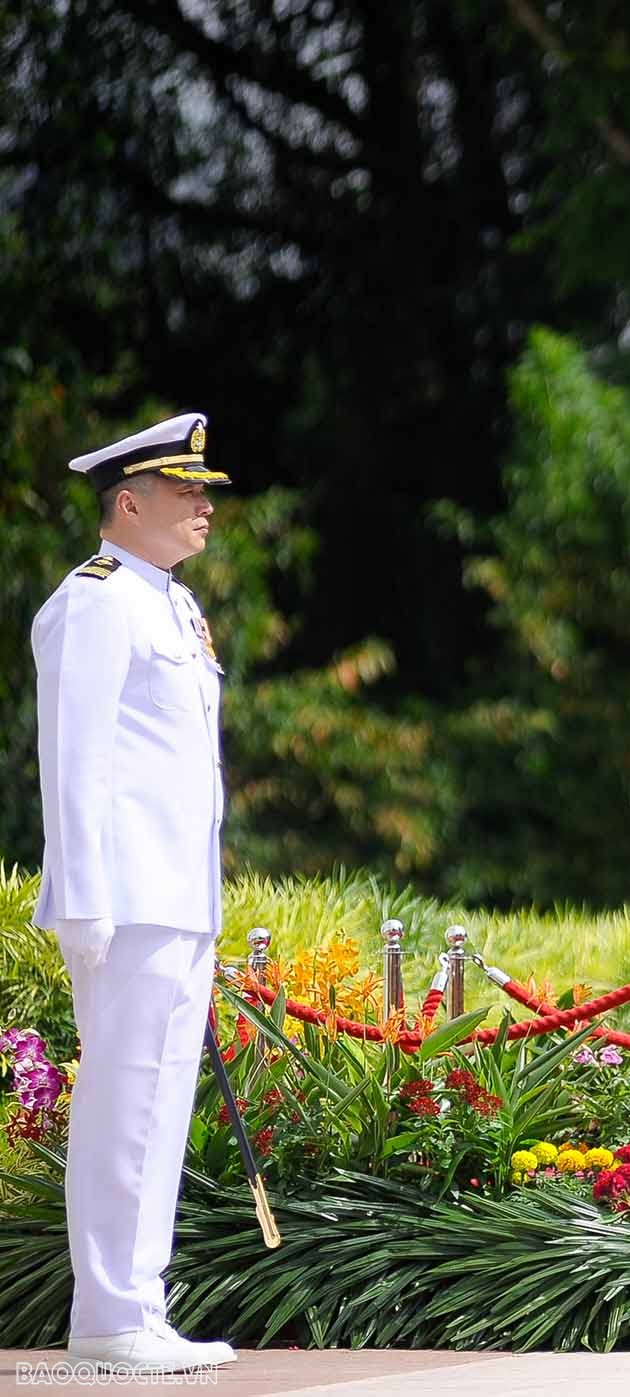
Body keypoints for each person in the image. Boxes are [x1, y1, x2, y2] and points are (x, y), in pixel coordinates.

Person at [32, 411, 239, 1373]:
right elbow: (73, 760)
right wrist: (81, 897)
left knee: (159, 1103)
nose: (204, 506)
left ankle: (134, 1306)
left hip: (179, 893)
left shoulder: (172, 604)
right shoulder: (97, 601)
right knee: (126, 1101)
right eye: (186, 490)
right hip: (124, 897)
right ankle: (110, 1313)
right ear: (130, 501)